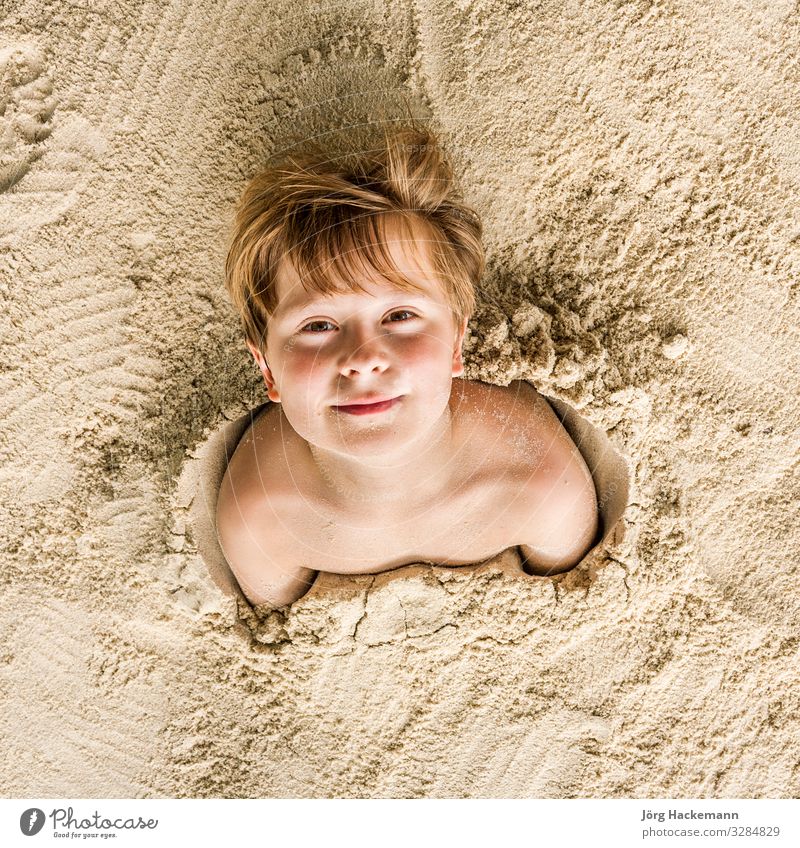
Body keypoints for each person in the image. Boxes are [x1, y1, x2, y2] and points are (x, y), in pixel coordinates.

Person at [217, 121, 599, 609]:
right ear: (267, 368)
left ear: (456, 342)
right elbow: (276, 634)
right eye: (317, 326)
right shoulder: (263, 519)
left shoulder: (539, 484)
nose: (363, 360)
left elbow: (576, 601)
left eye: (400, 316)